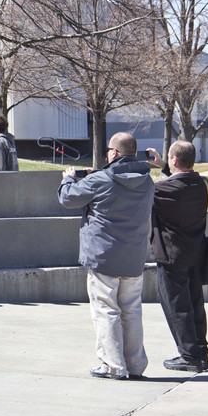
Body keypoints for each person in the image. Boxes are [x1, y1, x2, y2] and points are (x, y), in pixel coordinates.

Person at [58, 132, 155, 380]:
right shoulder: (147, 180)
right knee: (132, 311)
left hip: (104, 258)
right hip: (134, 257)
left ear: (114, 153)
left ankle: (113, 366)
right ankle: (134, 365)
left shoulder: (100, 179)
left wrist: (68, 179)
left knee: (106, 310)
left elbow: (68, 198)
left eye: (108, 150)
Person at [146, 141, 208, 373]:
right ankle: (200, 351)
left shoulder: (161, 191)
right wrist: (165, 165)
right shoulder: (204, 184)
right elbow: (181, 179)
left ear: (174, 160)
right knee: (195, 304)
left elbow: (152, 194)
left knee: (177, 307)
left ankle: (189, 356)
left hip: (172, 256)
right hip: (197, 253)